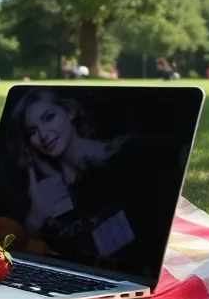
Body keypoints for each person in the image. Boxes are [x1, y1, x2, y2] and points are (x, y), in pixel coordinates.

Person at [7, 89, 134, 253]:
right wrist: (36, 216)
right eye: (32, 131)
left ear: (70, 112)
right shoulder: (43, 190)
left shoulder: (126, 153)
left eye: (49, 117)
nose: (43, 134)